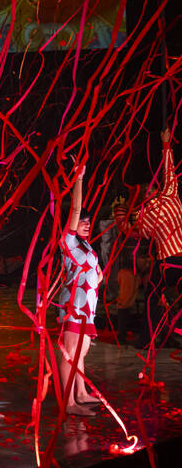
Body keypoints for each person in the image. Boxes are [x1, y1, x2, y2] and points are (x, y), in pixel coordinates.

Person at [115, 130, 182, 350]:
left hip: (168, 264)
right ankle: (169, 333)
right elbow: (169, 170)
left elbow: (128, 230)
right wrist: (166, 144)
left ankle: (149, 339)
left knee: (153, 296)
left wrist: (120, 209)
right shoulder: (171, 195)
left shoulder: (144, 217)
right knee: (162, 297)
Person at [52, 164, 102, 415]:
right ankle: (68, 403)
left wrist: (97, 277)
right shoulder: (68, 241)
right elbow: (75, 208)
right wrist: (79, 179)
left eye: (88, 221)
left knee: (80, 352)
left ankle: (81, 393)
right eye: (82, 221)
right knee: (70, 353)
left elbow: (95, 273)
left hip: (87, 307)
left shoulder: (87, 247)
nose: (85, 223)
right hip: (74, 305)